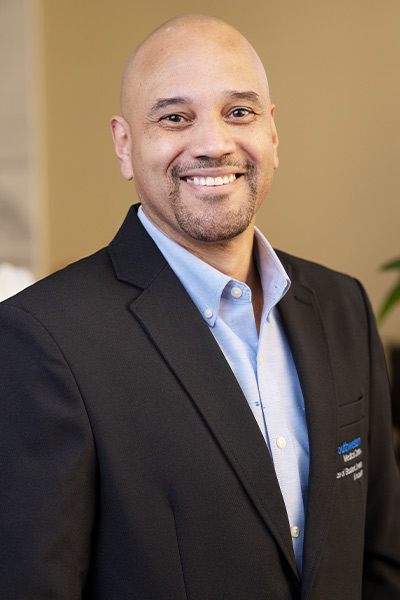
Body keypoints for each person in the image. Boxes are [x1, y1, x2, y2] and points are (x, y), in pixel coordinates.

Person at [0, 14, 399, 600]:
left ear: (272, 133)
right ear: (125, 145)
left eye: (239, 112)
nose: (213, 144)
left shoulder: (343, 306)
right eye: (174, 117)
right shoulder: (42, 340)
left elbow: (379, 559)